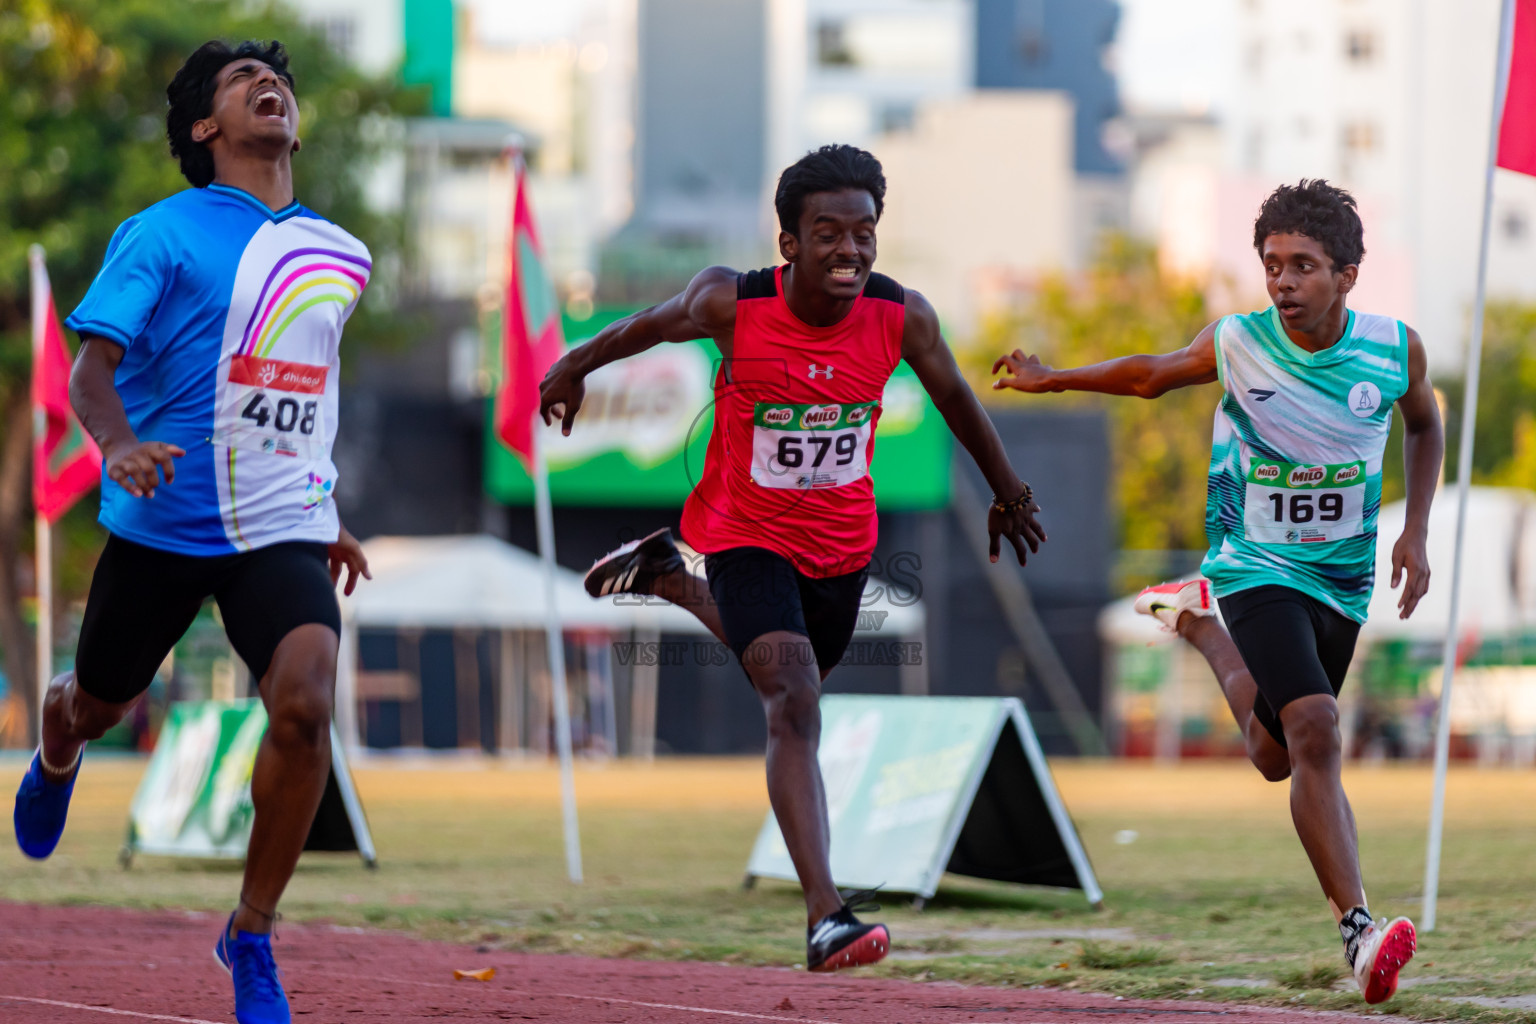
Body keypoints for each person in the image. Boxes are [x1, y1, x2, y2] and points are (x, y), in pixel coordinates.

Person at [539, 144, 1045, 971]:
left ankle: (665, 575)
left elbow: (955, 394)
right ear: (790, 243)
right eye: (828, 234)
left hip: (842, 548)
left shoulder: (902, 317)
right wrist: (572, 364)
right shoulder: (728, 303)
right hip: (743, 533)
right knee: (792, 702)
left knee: (788, 677)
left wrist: (1009, 491)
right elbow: (644, 325)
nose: (850, 250)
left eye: (865, 233)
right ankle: (826, 915)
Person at [993, 180, 1442, 1004]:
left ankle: (1197, 623)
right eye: (1272, 265)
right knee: (1316, 728)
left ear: (1347, 273)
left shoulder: (1392, 348)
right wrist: (1051, 378)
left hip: (1341, 577)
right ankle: (1360, 931)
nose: (1283, 282)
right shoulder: (1239, 341)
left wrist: (1414, 529)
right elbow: (1152, 375)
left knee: (1276, 754)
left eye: (1303, 266)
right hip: (1254, 561)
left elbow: (1424, 423)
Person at [12, 40, 372, 1024]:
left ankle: (250, 933)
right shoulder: (159, 234)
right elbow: (93, 371)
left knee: (303, 702)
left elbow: (305, 395)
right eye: (240, 81)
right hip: (163, 519)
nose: (271, 86)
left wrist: (326, 511)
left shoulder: (343, 254)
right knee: (102, 704)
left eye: (279, 78)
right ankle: (60, 735)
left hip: (281, 526)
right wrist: (117, 443)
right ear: (206, 127)